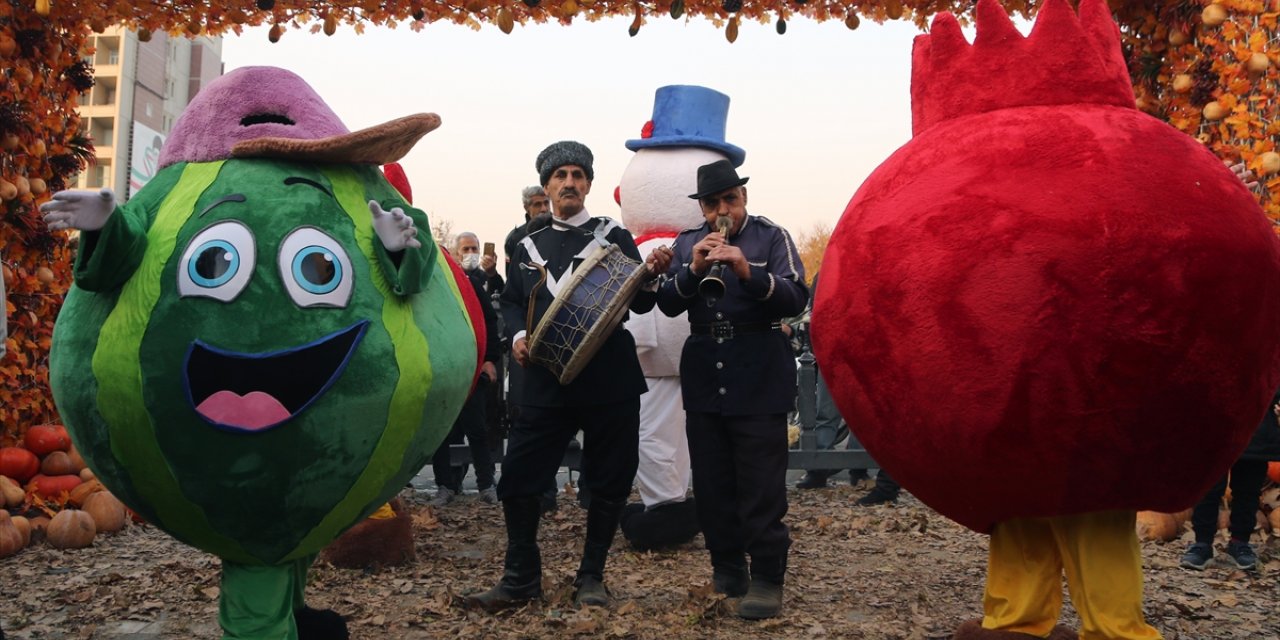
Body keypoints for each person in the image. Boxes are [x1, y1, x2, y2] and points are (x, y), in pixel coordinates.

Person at [464, 141, 673, 611]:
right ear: (547, 186)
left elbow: (638, 301)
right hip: (541, 377)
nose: (570, 183)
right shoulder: (525, 245)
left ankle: (592, 578)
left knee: (610, 477)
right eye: (560, 176)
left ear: (589, 185)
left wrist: (652, 274)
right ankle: (520, 579)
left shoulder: (612, 237)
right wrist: (517, 334)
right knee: (519, 477)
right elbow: (513, 301)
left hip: (609, 377)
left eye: (578, 175)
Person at [657, 159, 808, 620]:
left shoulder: (771, 237)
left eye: (730, 200)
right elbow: (665, 303)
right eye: (713, 202)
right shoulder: (687, 243)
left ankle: (766, 577)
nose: (723, 209)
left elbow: (798, 297)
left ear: (743, 199)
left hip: (758, 365)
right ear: (702, 207)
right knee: (713, 480)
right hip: (705, 367)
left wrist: (747, 272)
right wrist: (692, 269)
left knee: (761, 482)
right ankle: (727, 569)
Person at [428, 233, 502, 507]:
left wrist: (489, 360)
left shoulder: (469, 284)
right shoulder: (428, 288)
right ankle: (445, 485)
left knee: (477, 430)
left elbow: (489, 321)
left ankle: (486, 484)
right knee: (441, 434)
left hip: (471, 369)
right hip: (442, 371)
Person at [1180, 387, 1280, 571]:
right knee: (1208, 488)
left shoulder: (1262, 357)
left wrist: (1274, 396)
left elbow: (1272, 370)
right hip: (1214, 420)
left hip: (1256, 425)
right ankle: (1202, 543)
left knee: (1248, 490)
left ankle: (1240, 543)